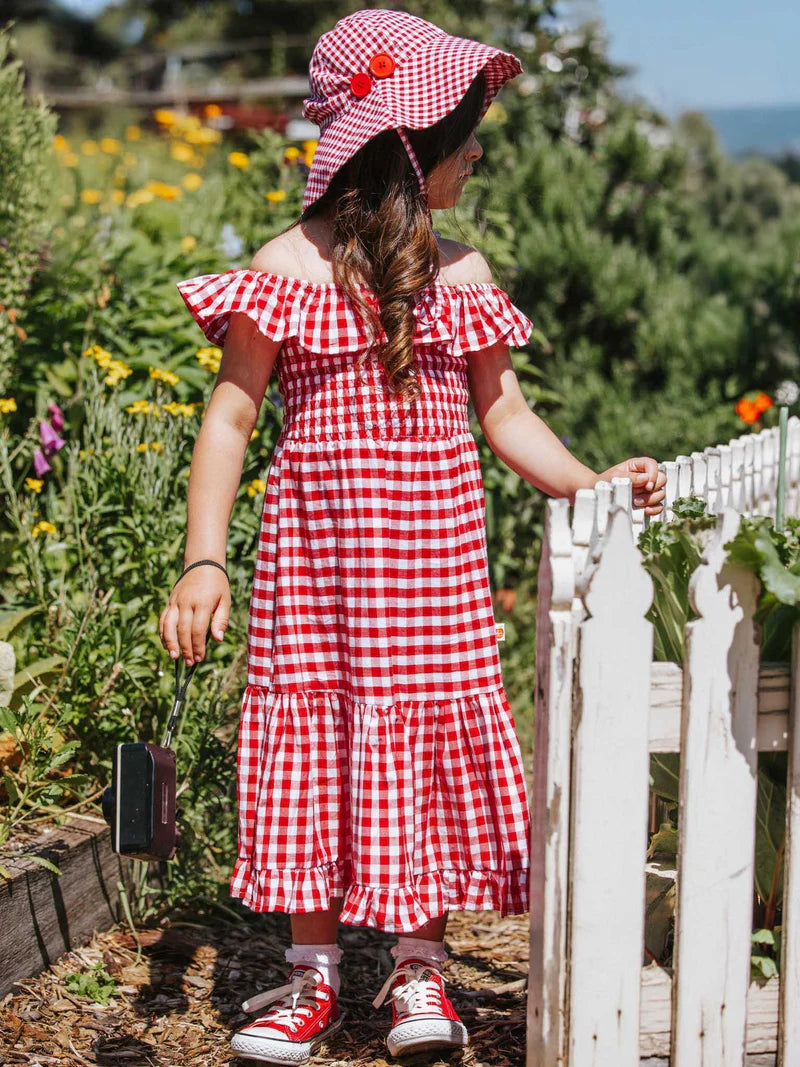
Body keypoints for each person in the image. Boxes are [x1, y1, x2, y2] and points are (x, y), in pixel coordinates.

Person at [160, 9, 667, 1064]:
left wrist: (591, 481)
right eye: (463, 136)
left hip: (431, 571)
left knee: (421, 747)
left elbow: (506, 415)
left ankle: (417, 968)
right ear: (404, 144)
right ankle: (311, 974)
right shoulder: (286, 268)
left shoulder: (462, 275)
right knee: (316, 732)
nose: (477, 154)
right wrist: (204, 558)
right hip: (318, 573)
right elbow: (230, 419)